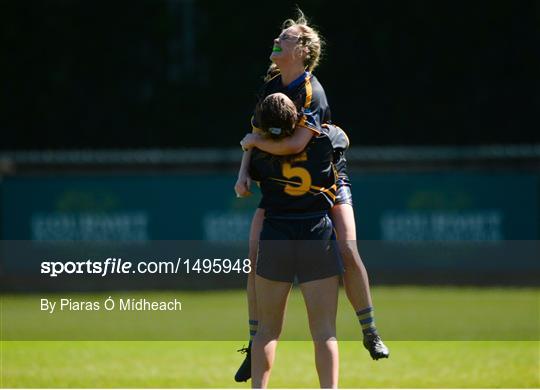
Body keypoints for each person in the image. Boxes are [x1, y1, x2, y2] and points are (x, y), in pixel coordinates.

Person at [234, 9, 389, 384]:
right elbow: (254, 137)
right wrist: (243, 171)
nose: (279, 37)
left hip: (328, 179)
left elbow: (297, 144)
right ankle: (255, 342)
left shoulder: (311, 91)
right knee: (253, 255)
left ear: (303, 50)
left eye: (287, 37)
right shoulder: (270, 88)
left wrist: (256, 141)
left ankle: (369, 329)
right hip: (289, 186)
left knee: (348, 248)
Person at [248, 92, 345, 388]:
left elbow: (251, 173)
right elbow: (343, 139)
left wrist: (258, 140)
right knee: (324, 332)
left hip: (276, 235)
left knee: (266, 331)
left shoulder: (260, 154)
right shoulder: (325, 139)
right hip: (316, 235)